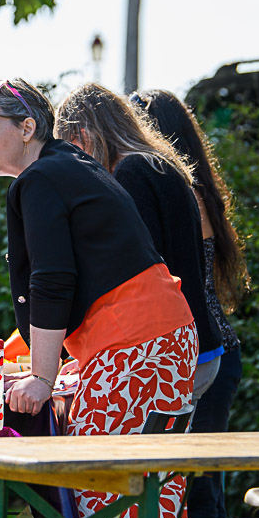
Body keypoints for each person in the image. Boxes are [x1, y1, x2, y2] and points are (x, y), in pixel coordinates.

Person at [0, 78, 197, 518]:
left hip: (133, 347)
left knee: (107, 498)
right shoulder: (71, 166)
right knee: (155, 499)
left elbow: (53, 280)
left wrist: (43, 377)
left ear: (28, 128)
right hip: (157, 339)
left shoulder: (41, 177)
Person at [135, 89, 249, 518]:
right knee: (202, 489)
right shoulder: (196, 190)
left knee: (200, 491)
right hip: (214, 351)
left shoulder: (179, 193)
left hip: (205, 357)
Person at [55, 83, 223, 402]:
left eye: (70, 147)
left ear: (82, 136)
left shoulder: (130, 173)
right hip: (192, 339)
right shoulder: (156, 163)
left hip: (169, 347)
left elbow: (135, 275)